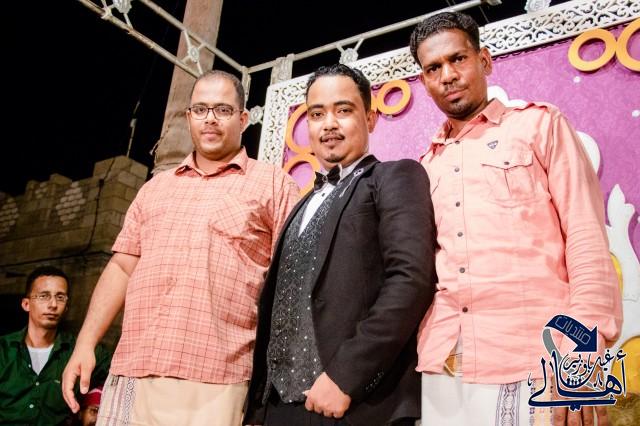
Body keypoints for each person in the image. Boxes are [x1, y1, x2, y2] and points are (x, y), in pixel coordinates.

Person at [409, 11, 623, 426]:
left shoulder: (539, 124)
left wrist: (581, 362)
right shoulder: (426, 165)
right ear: (425, 80)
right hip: (444, 365)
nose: (448, 75)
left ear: (484, 61)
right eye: (434, 68)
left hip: (540, 359)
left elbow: (585, 236)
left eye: (458, 59)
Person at [61, 70, 300, 426]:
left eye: (222, 110)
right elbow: (122, 267)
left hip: (217, 379)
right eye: (200, 109)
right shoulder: (155, 189)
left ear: (243, 119)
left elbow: (293, 280)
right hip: (135, 368)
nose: (210, 119)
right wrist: (85, 343)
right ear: (188, 117)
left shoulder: (273, 184)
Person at [243, 64, 437, 426]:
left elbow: (411, 279)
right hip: (277, 407)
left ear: (371, 118)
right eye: (317, 114)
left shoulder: (394, 176)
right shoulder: (302, 201)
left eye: (343, 110)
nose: (329, 124)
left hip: (354, 404)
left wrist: (345, 376)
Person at [0, 266, 111, 426]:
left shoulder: (79, 351)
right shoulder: (3, 349)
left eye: (60, 297)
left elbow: (123, 375)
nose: (53, 304)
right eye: (44, 296)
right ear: (26, 304)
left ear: (66, 307)